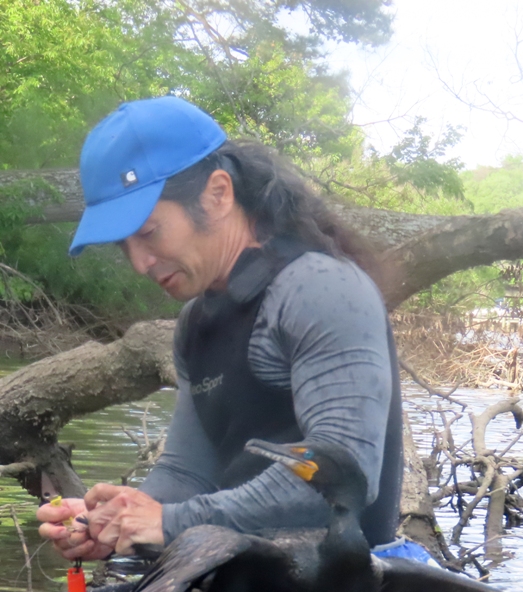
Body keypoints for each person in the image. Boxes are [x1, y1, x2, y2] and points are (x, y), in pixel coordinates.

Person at [37, 95, 403, 561]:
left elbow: (340, 484)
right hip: (237, 590)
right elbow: (187, 473)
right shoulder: (197, 322)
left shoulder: (320, 289)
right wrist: (113, 525)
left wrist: (166, 523)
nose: (140, 263)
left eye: (148, 233)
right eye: (122, 246)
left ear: (218, 193)